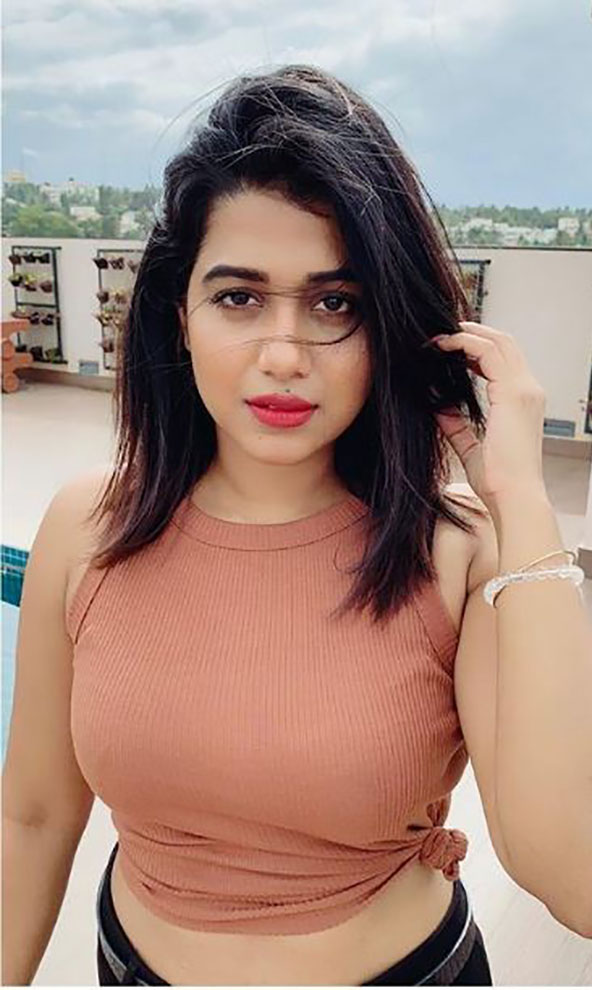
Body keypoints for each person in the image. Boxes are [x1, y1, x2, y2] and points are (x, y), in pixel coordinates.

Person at [3, 64, 496, 986]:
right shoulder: (87, 529)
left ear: (387, 326)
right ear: (179, 317)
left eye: (335, 304)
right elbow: (33, 814)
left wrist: (525, 510)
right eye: (238, 296)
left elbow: (576, 878)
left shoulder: (454, 552)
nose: (283, 354)